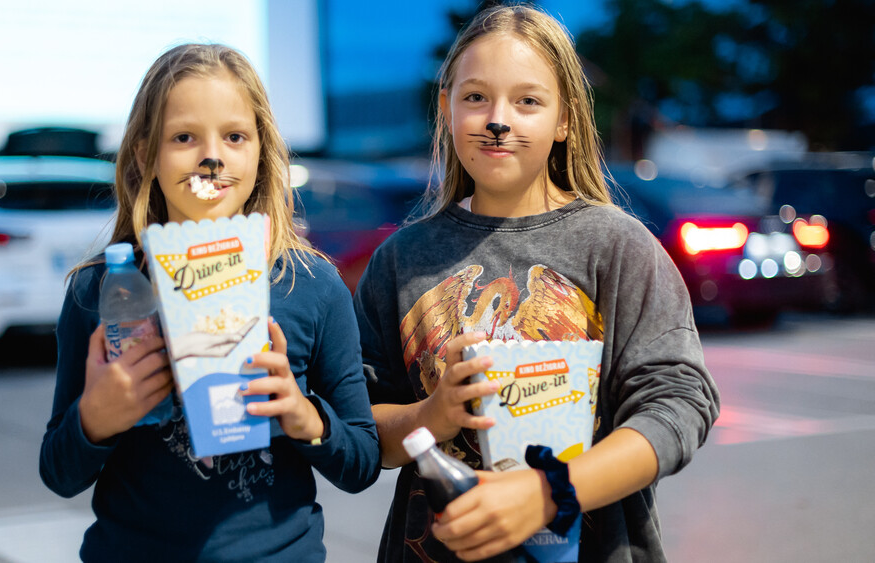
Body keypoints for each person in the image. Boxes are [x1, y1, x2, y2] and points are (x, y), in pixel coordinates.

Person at [353, 4, 720, 562]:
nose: (498, 119)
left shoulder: (618, 247)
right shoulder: (400, 261)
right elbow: (363, 430)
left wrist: (549, 492)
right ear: (447, 109)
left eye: (527, 100)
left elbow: (677, 406)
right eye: (475, 97)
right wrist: (432, 413)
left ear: (565, 119)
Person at [39, 43, 380, 562]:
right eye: (183, 137)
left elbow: (362, 463)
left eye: (235, 136)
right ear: (143, 155)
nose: (211, 155)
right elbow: (59, 473)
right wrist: (95, 418)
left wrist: (304, 415)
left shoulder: (311, 286)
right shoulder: (99, 291)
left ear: (261, 153)